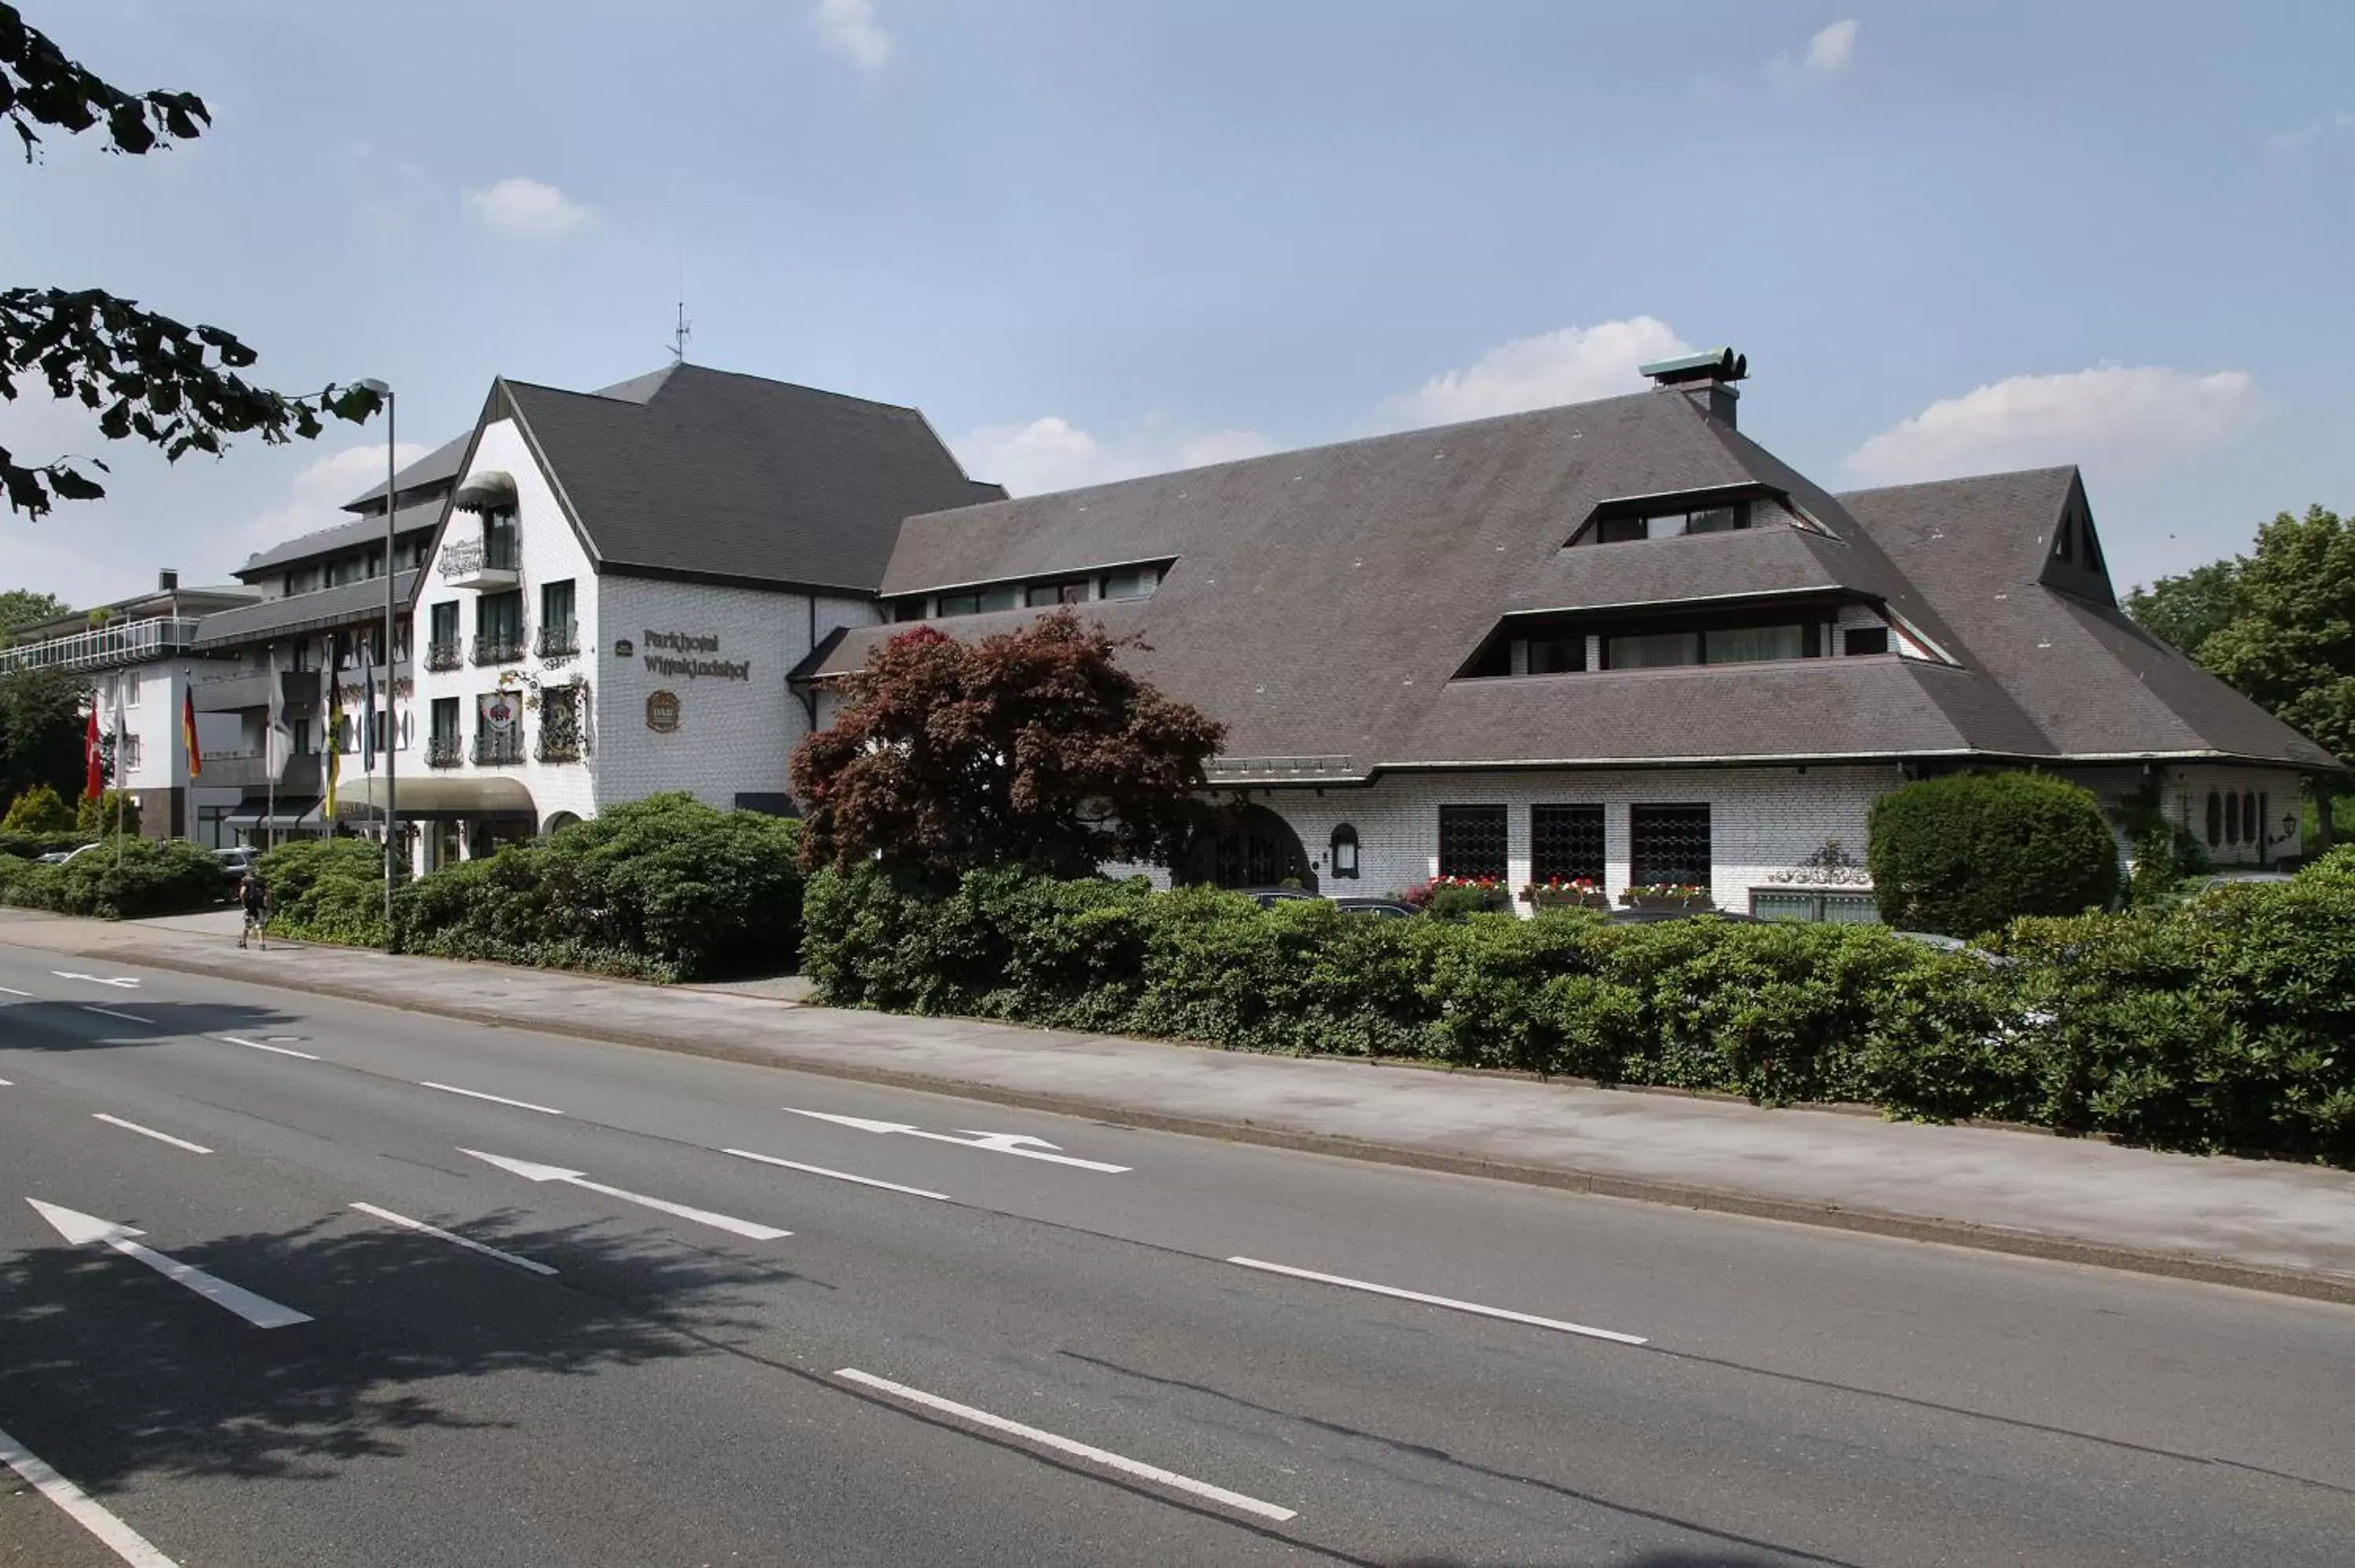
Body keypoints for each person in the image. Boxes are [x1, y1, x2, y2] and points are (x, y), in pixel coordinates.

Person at [238, 867, 269, 950]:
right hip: (260, 906)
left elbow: (242, 893)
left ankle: (243, 943)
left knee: (247, 925)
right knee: (260, 925)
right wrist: (268, 905)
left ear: (248, 875)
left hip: (250, 906)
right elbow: (268, 894)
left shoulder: (246, 882)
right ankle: (261, 944)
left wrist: (244, 903)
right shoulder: (261, 882)